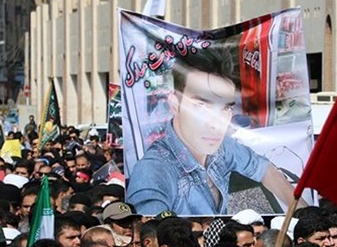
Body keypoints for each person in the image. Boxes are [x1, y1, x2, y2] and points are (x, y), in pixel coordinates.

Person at [127, 44, 303, 216]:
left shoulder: (222, 146)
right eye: (201, 106)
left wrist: (305, 214)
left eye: (225, 108)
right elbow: (148, 230)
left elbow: (263, 168)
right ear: (174, 104)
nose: (216, 124)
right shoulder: (153, 172)